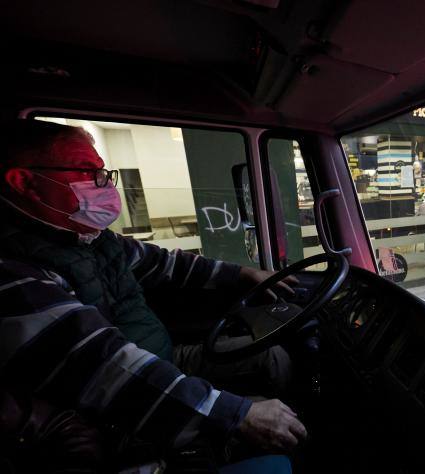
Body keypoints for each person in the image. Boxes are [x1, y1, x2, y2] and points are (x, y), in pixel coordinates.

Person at [0, 120, 305, 471]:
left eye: (103, 172)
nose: (103, 185)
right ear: (24, 182)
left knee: (272, 357)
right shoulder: (14, 272)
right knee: (272, 439)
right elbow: (104, 367)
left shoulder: (91, 239)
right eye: (87, 172)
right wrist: (237, 414)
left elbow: (165, 264)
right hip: (112, 411)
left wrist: (241, 273)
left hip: (159, 356)